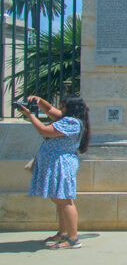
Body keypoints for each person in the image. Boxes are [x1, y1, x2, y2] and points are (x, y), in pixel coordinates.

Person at [19, 95, 91, 249]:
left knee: (65, 201)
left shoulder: (71, 122)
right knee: (59, 200)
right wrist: (38, 101)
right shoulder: (67, 118)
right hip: (55, 164)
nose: (61, 108)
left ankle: (73, 239)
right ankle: (63, 233)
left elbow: (44, 131)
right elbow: (50, 110)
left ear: (71, 108)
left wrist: (30, 116)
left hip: (62, 165)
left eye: (63, 105)